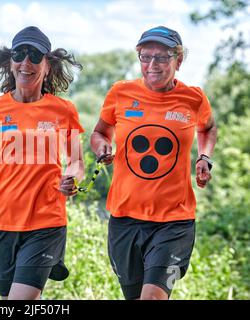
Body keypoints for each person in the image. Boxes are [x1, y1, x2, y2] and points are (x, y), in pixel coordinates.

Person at [0, 26, 84, 300]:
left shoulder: (63, 110)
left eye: (35, 56)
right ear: (11, 62)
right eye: (20, 54)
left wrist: (72, 179)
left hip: (46, 223)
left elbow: (76, 162)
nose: (26, 62)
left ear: (47, 65)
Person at [90, 26, 217, 300]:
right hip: (125, 220)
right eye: (145, 57)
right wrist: (102, 147)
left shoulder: (193, 98)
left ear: (178, 61)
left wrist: (205, 157)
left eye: (161, 57)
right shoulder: (120, 94)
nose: (152, 65)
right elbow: (99, 132)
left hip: (174, 221)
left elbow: (208, 128)